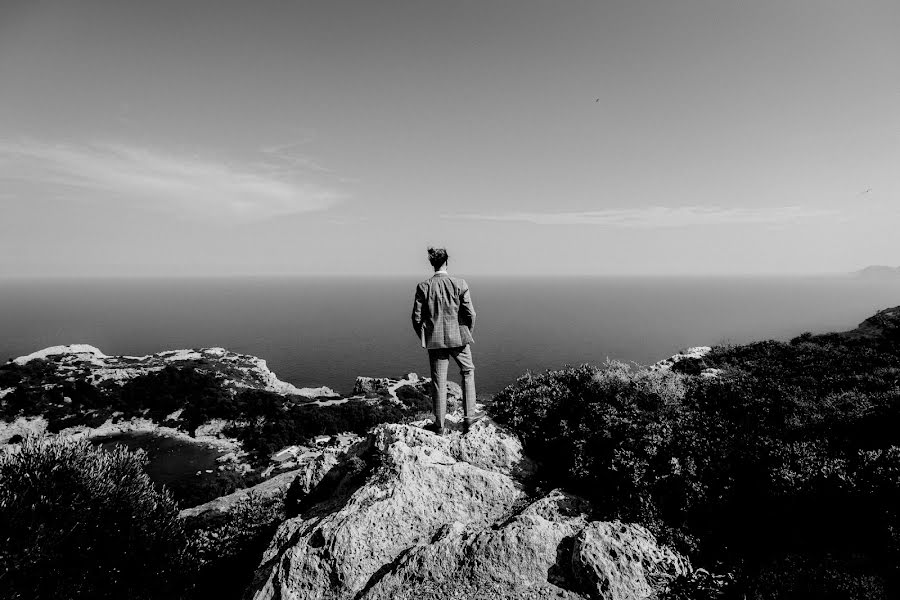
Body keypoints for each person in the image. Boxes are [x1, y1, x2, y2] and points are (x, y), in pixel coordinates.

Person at [411, 247, 478, 434]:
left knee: (439, 382)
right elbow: (471, 314)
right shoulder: (460, 283)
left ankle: (439, 426)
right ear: (446, 262)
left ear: (432, 264)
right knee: (467, 372)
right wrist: (466, 333)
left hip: (435, 342)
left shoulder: (423, 287)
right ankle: (469, 419)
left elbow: (416, 319)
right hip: (459, 339)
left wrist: (427, 338)